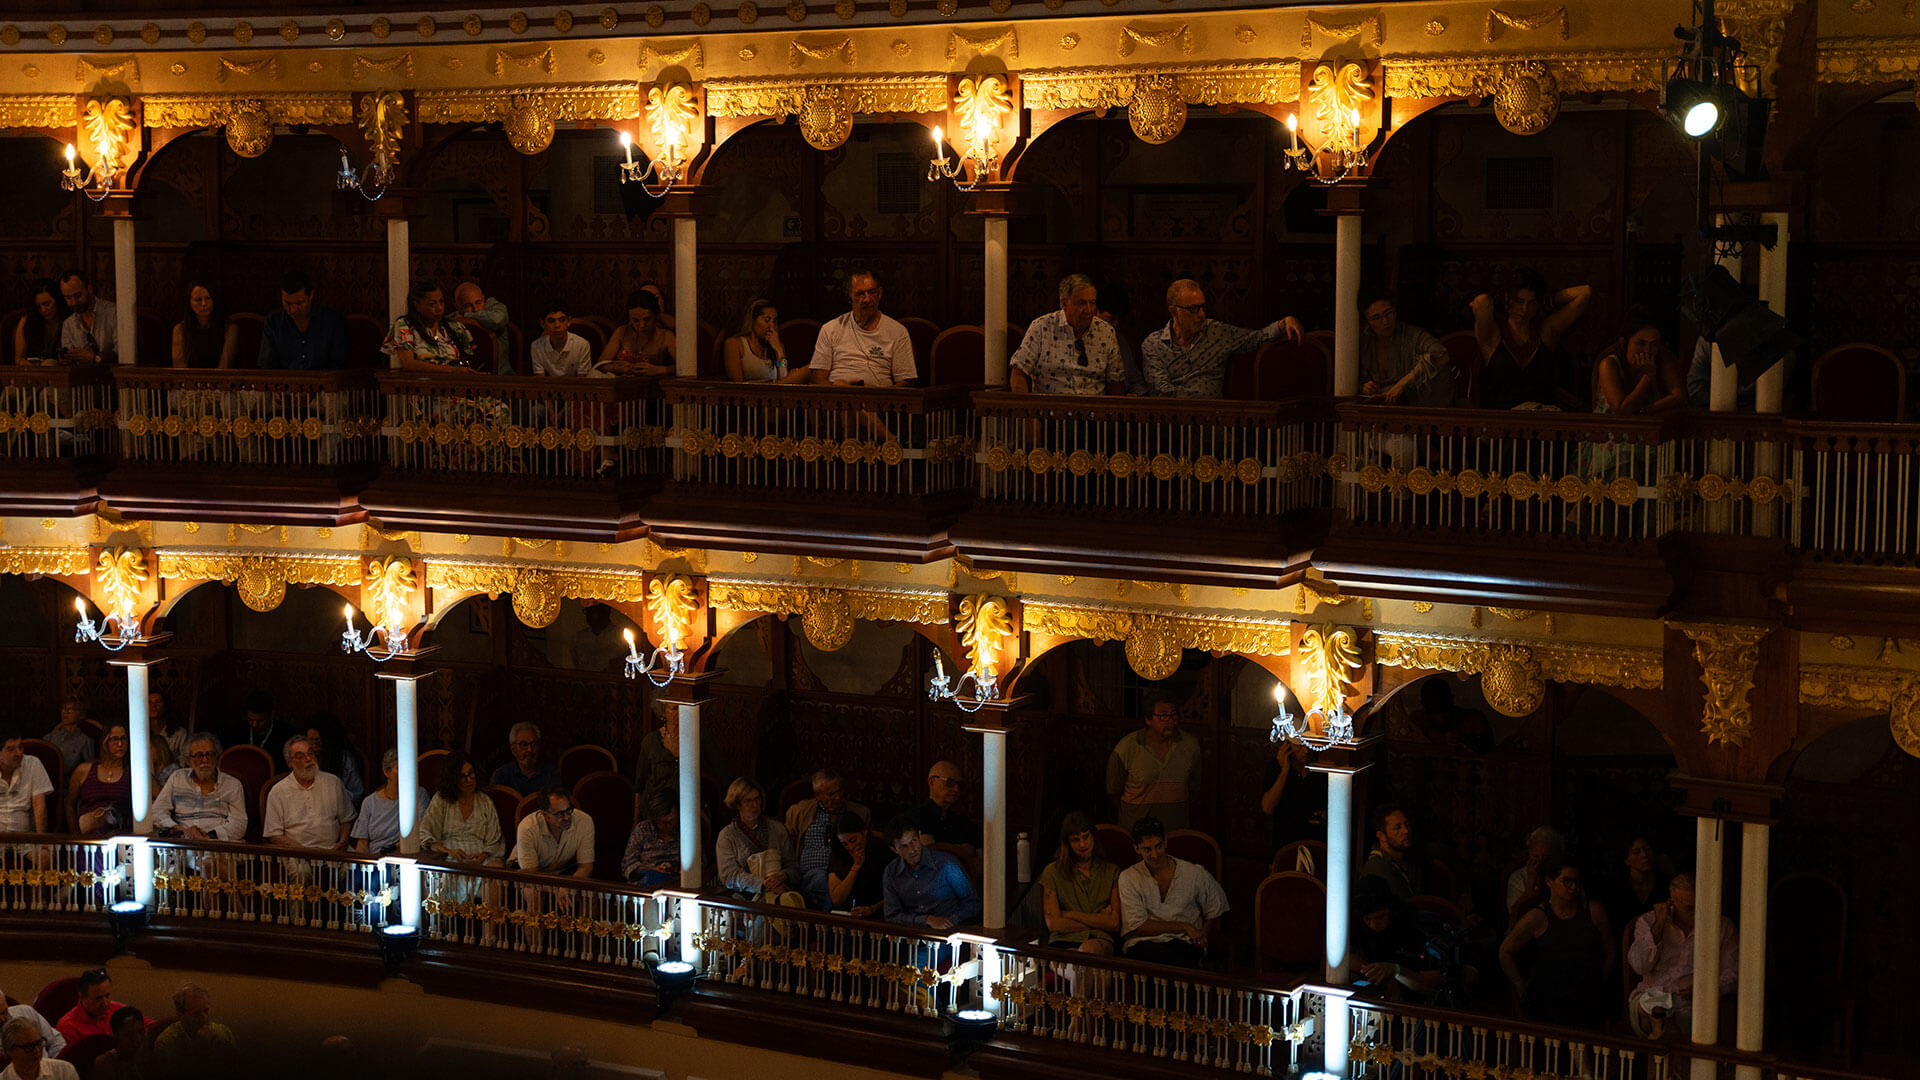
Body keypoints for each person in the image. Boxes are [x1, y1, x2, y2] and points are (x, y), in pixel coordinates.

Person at [1499, 855, 1615, 1030]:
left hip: (1587, 991)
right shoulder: (1537, 917)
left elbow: (1610, 949)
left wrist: (1600, 982)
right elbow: (1505, 952)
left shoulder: (1594, 911)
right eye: (1566, 882)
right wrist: (1520, 988)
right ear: (1549, 881)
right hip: (1550, 994)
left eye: (1576, 882)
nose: (1573, 887)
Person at [1140, 278, 1304, 398]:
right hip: (1173, 423)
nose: (1202, 315)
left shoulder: (1216, 332)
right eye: (1194, 309)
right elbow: (1160, 391)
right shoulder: (1153, 345)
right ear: (1174, 311)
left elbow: (1256, 338)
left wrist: (1284, 323)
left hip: (1212, 423)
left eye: (1203, 307)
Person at [1625, 872, 1738, 1038]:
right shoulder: (1648, 921)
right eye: (1689, 908)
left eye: (1702, 905)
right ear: (1673, 901)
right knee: (1648, 1005)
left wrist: (1707, 990)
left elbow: (1732, 973)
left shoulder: (1723, 927)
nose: (1698, 913)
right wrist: (1659, 927)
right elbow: (1639, 966)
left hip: (1695, 1003)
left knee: (1692, 1020)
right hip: (1653, 994)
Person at [1117, 816, 1228, 968]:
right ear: (1136, 849)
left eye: (1158, 846)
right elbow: (1137, 925)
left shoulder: (1193, 873)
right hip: (1144, 943)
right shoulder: (1129, 877)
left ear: (1166, 843)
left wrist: (1203, 932)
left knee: (1180, 960)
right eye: (1147, 849)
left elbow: (1216, 905)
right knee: (1158, 961)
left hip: (1184, 942)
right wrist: (1184, 926)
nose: (1155, 855)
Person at [1470, 269, 1591, 410]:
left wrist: (1548, 301)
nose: (1524, 309)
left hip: (1542, 419)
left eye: (1531, 303)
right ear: (1508, 299)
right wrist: (1501, 301)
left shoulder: (1545, 332)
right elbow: (1482, 302)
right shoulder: (1494, 335)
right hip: (1503, 421)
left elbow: (1585, 293)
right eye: (1519, 301)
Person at [1010, 273, 1126, 395]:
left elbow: (1116, 382)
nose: (1089, 310)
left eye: (1092, 303)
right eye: (1081, 303)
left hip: (1094, 411)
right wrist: (1027, 409)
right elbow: (1018, 373)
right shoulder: (1041, 327)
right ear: (1063, 304)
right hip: (1049, 410)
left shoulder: (1106, 332)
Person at [1105, 695, 1201, 830]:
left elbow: (1194, 788)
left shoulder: (1190, 746)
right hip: (1136, 830)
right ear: (1148, 719)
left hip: (1175, 829)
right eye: (1163, 716)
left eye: (1173, 715)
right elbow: (1113, 790)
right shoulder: (1127, 747)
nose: (1170, 721)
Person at [809, 271, 915, 387]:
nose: (867, 299)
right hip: (837, 397)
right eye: (860, 294)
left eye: (872, 292)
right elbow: (817, 379)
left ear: (880, 294)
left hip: (878, 400)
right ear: (849, 296)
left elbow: (906, 382)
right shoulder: (830, 329)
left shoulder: (898, 332)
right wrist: (839, 390)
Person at [785, 769, 871, 910]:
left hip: (846, 871)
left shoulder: (860, 813)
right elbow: (787, 847)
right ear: (818, 795)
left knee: (845, 886)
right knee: (826, 884)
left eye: (840, 791)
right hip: (812, 875)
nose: (837, 797)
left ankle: (831, 927)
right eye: (831, 794)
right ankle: (836, 925)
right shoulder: (799, 812)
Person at [1040, 810, 1121, 954]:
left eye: (1085, 837)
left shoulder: (1112, 871)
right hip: (1063, 939)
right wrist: (1100, 921)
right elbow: (1054, 923)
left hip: (1099, 939)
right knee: (1068, 959)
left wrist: (1069, 914)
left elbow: (1114, 923)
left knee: (1087, 951)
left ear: (1093, 836)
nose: (1082, 844)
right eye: (1076, 840)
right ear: (1068, 843)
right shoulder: (1052, 871)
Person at [881, 814, 981, 930]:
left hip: (948, 933)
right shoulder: (891, 872)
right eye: (904, 846)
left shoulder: (946, 864)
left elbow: (973, 903)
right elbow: (891, 916)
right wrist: (926, 920)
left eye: (914, 841)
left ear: (919, 836)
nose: (912, 849)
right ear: (894, 849)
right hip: (911, 934)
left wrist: (950, 921)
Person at [145, 734, 248, 841]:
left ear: (216, 756)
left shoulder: (233, 784)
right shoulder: (177, 778)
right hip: (183, 844)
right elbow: (157, 811)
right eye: (199, 755)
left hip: (218, 846)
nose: (205, 760)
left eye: (209, 754)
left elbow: (240, 824)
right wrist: (179, 830)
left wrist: (210, 835)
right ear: (188, 760)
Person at [1351, 885, 1445, 999]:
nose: (1373, 925)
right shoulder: (1358, 922)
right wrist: (1376, 972)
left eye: (1380, 917)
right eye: (1368, 919)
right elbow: (1347, 957)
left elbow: (1436, 982)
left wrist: (1395, 971)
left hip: (1420, 999)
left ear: (1391, 909)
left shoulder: (1415, 926)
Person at [263, 736, 356, 850]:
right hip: (296, 852)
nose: (308, 759)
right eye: (300, 756)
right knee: (301, 868)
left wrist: (342, 842)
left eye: (310, 753)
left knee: (354, 866)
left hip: (333, 849)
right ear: (289, 763)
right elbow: (273, 834)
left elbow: (346, 820)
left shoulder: (333, 782)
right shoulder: (278, 791)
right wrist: (303, 852)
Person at [1359, 295, 1454, 406]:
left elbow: (1442, 355)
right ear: (1367, 322)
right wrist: (1367, 387)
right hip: (1381, 408)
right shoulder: (1365, 343)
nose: (1385, 321)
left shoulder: (1412, 335)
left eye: (1389, 313)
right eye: (1376, 318)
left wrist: (1403, 383)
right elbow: (1360, 378)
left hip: (1418, 408)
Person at [716, 777, 799, 901]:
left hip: (778, 893)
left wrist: (783, 875)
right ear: (737, 804)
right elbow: (728, 875)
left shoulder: (778, 829)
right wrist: (762, 883)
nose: (754, 805)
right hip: (744, 897)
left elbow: (793, 867)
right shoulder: (727, 835)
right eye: (748, 801)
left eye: (757, 799)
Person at [418, 751, 505, 865]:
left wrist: (484, 855)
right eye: (462, 777)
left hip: (480, 861)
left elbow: (495, 840)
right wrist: (447, 851)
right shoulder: (441, 799)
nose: (469, 780)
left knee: (496, 865)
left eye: (471, 773)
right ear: (452, 779)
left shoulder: (485, 801)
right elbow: (424, 834)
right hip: (449, 860)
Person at [1594, 309, 1687, 416]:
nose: (1648, 351)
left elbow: (1680, 398)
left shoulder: (1663, 358)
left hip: (1650, 428)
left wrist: (1646, 410)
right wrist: (1647, 376)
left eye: (1654, 344)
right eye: (1641, 343)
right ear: (1624, 343)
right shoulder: (1609, 364)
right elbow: (1622, 411)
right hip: (1611, 429)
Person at [258, 270, 350, 370]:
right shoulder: (273, 322)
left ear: (311, 295)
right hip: (285, 383)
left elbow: (338, 367)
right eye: (287, 303)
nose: (293, 310)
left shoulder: (333, 321)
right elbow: (266, 367)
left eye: (299, 303)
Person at [383, 280, 477, 372]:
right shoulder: (405, 325)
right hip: (420, 383)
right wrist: (451, 370)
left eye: (441, 302)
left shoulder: (455, 327)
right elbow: (408, 364)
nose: (439, 308)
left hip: (455, 383)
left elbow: (471, 359)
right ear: (417, 305)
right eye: (432, 304)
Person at [908, 760, 981, 877]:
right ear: (932, 782)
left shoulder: (963, 821)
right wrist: (965, 851)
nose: (956, 789)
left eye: (959, 785)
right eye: (950, 782)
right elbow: (930, 861)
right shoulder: (917, 816)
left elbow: (982, 864)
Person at [1259, 737, 1326, 856]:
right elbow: (1267, 808)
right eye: (1299, 746)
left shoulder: (1322, 768)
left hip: (1316, 842)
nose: (1306, 750)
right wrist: (1284, 770)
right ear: (1288, 746)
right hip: (1286, 842)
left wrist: (1327, 816)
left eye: (1309, 745)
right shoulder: (1275, 767)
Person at [351, 748, 425, 856]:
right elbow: (362, 844)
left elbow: (422, 831)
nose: (406, 772)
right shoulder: (369, 803)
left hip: (403, 857)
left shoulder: (419, 795)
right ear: (387, 772)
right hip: (375, 859)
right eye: (399, 768)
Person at [513, 784, 595, 878]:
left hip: (564, 872)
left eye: (568, 810)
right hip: (528, 873)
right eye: (559, 814)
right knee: (529, 891)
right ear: (545, 815)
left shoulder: (584, 821)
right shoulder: (527, 828)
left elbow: (586, 868)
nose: (566, 817)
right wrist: (557, 890)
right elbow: (531, 877)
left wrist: (567, 888)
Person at [152, 984, 237, 1073]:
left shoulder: (224, 1033)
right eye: (196, 1013)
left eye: (206, 1011)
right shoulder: (166, 1043)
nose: (204, 1018)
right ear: (180, 1015)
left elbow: (235, 1071)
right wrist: (200, 1051)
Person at [67, 723, 132, 837]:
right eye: (114, 739)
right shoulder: (84, 771)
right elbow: (69, 804)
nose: (120, 744)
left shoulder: (132, 773)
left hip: (121, 837)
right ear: (104, 742)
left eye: (123, 739)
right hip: (88, 836)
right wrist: (76, 832)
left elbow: (158, 796)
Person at [1599, 835, 1670, 934]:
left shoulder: (1665, 885)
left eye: (1647, 849)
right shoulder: (1616, 889)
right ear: (1626, 860)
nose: (1644, 855)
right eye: (1637, 852)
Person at [725, 298, 808, 383]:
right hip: (749, 394)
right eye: (767, 320)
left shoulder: (776, 345)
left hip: (774, 393)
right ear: (753, 320)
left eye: (774, 321)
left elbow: (784, 379)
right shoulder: (734, 344)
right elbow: (737, 384)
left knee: (807, 370)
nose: (771, 326)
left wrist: (779, 352)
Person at [598, 290, 675, 376]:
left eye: (647, 319)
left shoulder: (666, 336)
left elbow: (686, 366)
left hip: (653, 386)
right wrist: (617, 368)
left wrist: (658, 370)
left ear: (656, 315)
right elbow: (600, 365)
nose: (642, 325)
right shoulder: (622, 332)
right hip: (622, 384)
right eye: (635, 320)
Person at [1406, 679, 1493, 754]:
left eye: (1444, 706)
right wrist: (1440, 737)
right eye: (1434, 709)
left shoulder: (1473, 719)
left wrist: (1466, 739)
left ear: (1451, 700)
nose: (1441, 716)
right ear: (1424, 705)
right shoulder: (1417, 720)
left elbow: (1488, 747)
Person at [826, 810, 887, 917]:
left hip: (876, 912)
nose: (850, 847)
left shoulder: (881, 850)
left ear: (864, 832)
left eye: (853, 840)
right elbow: (837, 899)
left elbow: (896, 895)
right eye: (845, 843)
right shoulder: (839, 853)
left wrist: (872, 909)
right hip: (846, 913)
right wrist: (856, 866)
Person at [1358, 805, 1423, 900]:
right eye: (1397, 828)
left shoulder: (1412, 861)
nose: (1406, 831)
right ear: (1381, 836)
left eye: (1407, 825)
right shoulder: (1376, 869)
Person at [1506, 825, 1566, 926]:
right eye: (1536, 856)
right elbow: (1515, 917)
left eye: (1546, 857)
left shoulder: (1563, 875)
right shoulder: (1518, 878)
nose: (1540, 862)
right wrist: (1530, 884)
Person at [1096, 282, 1150, 396]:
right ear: (1095, 311)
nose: (1115, 324)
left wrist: (1133, 395)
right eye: (1111, 319)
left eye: (1118, 319)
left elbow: (1137, 383)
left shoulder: (1120, 342)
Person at [302, 715, 365, 810]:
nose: (314, 745)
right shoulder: (302, 759)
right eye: (310, 740)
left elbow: (357, 794)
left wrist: (334, 796)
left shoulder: (344, 759)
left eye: (318, 741)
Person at [171, 281, 238, 369]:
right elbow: (179, 367)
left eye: (208, 298)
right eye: (198, 300)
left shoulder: (229, 327)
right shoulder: (180, 329)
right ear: (189, 303)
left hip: (221, 380)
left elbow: (225, 366)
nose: (204, 304)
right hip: (189, 380)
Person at [56, 270, 117, 365]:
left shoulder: (113, 313)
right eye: (68, 298)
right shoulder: (68, 324)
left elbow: (123, 352)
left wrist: (95, 358)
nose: (74, 302)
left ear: (89, 289)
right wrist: (67, 359)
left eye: (78, 295)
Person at [621, 787, 679, 886]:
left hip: (677, 886)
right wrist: (649, 870)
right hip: (644, 886)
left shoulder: (685, 830)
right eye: (662, 822)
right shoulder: (643, 830)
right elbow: (627, 865)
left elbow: (700, 865)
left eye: (670, 821)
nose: (667, 826)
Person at [0, 732, 54, 834]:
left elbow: (39, 807)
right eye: (11, 749)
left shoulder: (33, 764)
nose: (19, 753)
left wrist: (41, 842)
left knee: (43, 851)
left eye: (20, 747)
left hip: (24, 837)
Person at [454, 281, 512, 375]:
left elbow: (498, 320)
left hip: (502, 377)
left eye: (478, 303)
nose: (476, 309)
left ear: (484, 299)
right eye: (468, 305)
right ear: (458, 307)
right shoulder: (455, 319)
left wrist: (466, 315)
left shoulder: (494, 308)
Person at [630, 711, 678, 823]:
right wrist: (635, 819)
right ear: (664, 711)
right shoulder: (651, 741)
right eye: (674, 708)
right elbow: (639, 784)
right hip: (654, 812)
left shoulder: (697, 737)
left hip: (685, 811)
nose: (679, 712)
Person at [54, 968, 124, 1045]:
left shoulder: (120, 1011)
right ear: (82, 997)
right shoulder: (68, 1027)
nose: (105, 1003)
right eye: (98, 999)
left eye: (107, 996)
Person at [492, 722, 562, 798]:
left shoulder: (551, 774)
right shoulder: (501, 775)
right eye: (524, 744)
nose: (530, 750)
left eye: (534, 744)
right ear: (513, 749)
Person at [529, 304, 599, 377]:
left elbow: (582, 381)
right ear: (543, 324)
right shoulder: (536, 346)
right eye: (551, 321)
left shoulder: (582, 345)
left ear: (569, 322)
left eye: (562, 320)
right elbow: (540, 381)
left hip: (575, 386)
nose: (557, 325)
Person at [222, 690, 291, 763]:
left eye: (260, 720)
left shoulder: (286, 734)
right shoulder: (237, 732)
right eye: (250, 719)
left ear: (271, 715)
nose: (255, 725)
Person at [1, 1015, 78, 1080]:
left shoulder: (64, 1071)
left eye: (38, 1043)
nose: (37, 1050)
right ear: (10, 1051)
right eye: (29, 1047)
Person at [12, 278, 68, 365]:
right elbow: (19, 359)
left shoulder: (69, 321)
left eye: (47, 304)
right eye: (38, 306)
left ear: (57, 300)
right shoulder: (27, 321)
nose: (43, 310)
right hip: (33, 372)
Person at [87, 1006, 149, 1080]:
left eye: (141, 1032)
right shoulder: (105, 1065)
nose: (138, 1040)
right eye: (130, 1035)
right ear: (116, 1038)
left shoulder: (149, 1057)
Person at [0, 989, 62, 1061]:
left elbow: (56, 1041)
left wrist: (56, 1065)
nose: (2, 1019)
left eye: (4, 1012)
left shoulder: (25, 1012)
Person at [42, 699, 96, 771]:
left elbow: (90, 769)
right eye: (63, 709)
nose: (66, 712)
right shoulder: (48, 737)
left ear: (81, 715)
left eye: (71, 709)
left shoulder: (85, 741)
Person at [148, 691, 189, 770]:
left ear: (165, 706)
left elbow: (184, 760)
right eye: (149, 702)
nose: (153, 706)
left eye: (158, 702)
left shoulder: (179, 733)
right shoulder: (139, 734)